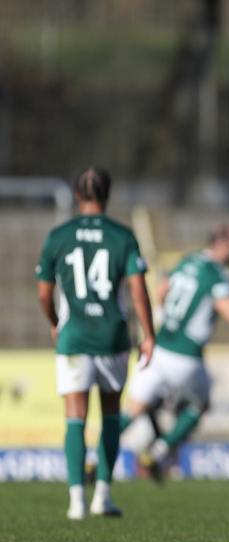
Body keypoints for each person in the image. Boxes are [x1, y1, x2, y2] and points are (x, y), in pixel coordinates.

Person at [120, 224, 229, 479]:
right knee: (200, 404)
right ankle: (160, 451)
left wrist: (163, 314)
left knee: (131, 411)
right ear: (223, 244)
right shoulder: (217, 274)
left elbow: (162, 290)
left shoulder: (188, 259)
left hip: (157, 347)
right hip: (185, 356)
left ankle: (94, 456)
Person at [36, 167, 155, 519]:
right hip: (112, 336)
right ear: (108, 195)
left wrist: (55, 322)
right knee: (111, 415)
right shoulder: (122, 236)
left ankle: (75, 502)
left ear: (76, 195)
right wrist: (149, 335)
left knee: (75, 417)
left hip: (74, 336)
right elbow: (137, 290)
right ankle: (102, 494)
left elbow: (44, 293)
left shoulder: (59, 235)